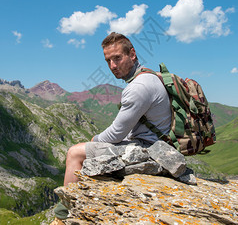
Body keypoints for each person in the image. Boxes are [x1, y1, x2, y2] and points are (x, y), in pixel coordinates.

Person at [52, 32, 172, 223]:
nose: (113, 66)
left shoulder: (138, 87)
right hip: (157, 145)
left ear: (132, 54)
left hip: (149, 149)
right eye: (108, 60)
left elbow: (117, 133)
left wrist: (94, 140)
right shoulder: (149, 76)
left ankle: (64, 213)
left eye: (117, 58)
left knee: (75, 153)